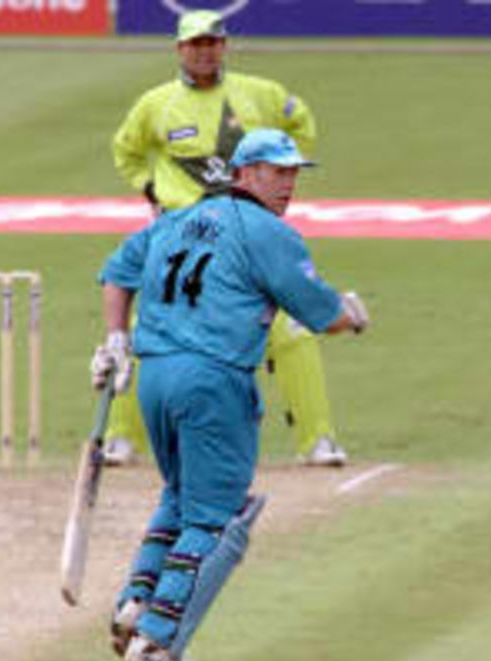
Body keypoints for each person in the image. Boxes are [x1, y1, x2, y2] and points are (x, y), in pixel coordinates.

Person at [91, 129, 369, 661]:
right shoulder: (270, 234)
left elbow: (115, 274)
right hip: (213, 379)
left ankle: (135, 602)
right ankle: (158, 637)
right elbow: (324, 315)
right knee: (217, 516)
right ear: (243, 173)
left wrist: (116, 338)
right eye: (275, 171)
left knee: (180, 497)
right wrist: (354, 314)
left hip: (156, 377)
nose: (287, 183)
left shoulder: (173, 221)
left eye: (293, 172)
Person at [104, 8, 349, 469]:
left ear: (225, 45)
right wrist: (151, 187)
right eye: (195, 44)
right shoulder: (156, 104)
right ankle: (120, 436)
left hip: (245, 233)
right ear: (180, 49)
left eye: (212, 43)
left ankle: (317, 439)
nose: (204, 52)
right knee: (147, 332)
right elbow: (126, 149)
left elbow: (303, 124)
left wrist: (280, 172)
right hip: (183, 232)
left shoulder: (260, 94)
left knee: (290, 330)